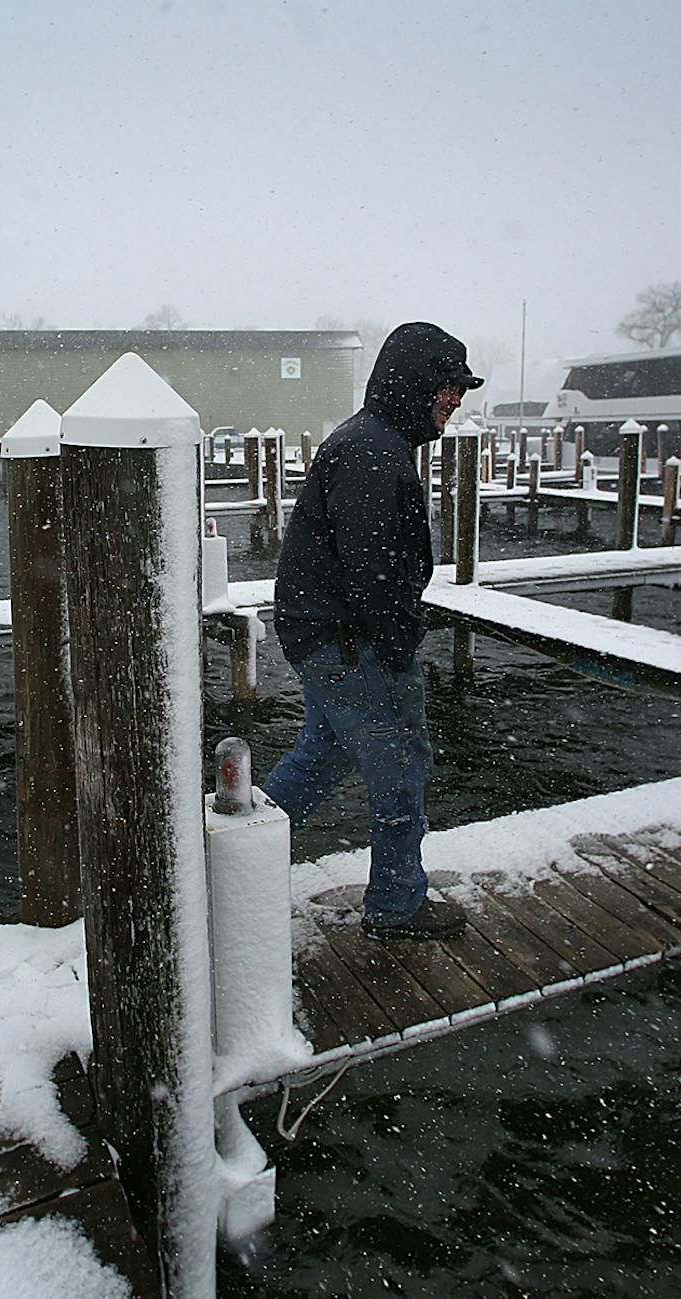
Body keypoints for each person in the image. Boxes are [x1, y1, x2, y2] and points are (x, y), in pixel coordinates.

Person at [261, 322, 480, 940]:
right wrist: (397, 643)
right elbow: (374, 571)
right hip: (350, 642)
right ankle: (397, 906)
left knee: (321, 756)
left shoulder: (373, 443)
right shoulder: (374, 453)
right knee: (402, 765)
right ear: (414, 383)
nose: (455, 399)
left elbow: (371, 566)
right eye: (447, 386)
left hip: (328, 637)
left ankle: (228, 858)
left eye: (460, 389)